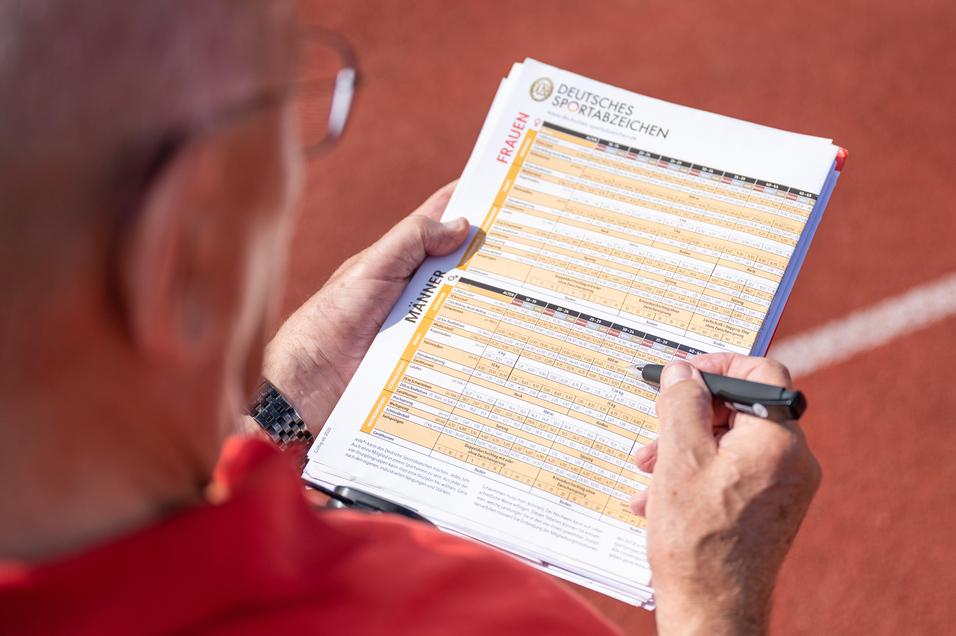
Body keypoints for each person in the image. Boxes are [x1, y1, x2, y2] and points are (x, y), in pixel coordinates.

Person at [0, 2, 821, 634]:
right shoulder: (456, 618)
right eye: (276, 109)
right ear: (174, 246)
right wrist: (713, 598)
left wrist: (289, 397)